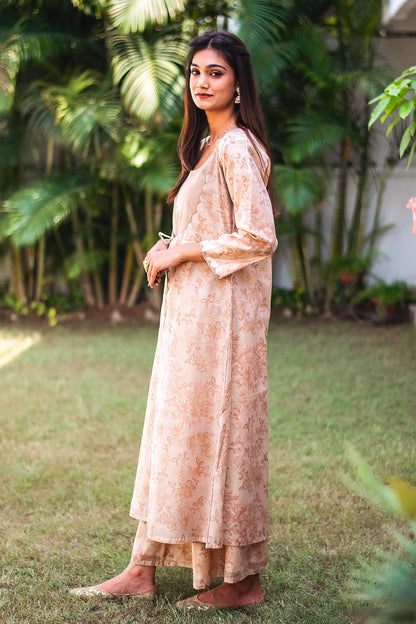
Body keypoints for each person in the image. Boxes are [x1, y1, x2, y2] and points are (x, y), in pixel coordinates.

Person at [70, 30, 278, 610]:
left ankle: (241, 581)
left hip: (222, 328)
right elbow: (212, 224)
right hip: (191, 324)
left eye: (215, 72)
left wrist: (182, 252)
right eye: (194, 73)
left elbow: (260, 237)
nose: (202, 82)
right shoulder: (207, 150)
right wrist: (167, 247)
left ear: (238, 84)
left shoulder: (236, 146)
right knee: (177, 438)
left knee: (218, 439)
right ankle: (143, 566)